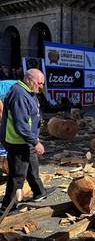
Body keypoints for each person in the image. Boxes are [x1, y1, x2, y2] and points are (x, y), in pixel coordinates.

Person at [0, 69, 56, 214]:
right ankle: (8, 208)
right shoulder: (19, 95)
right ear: (29, 79)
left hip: (26, 141)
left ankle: (39, 191)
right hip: (18, 142)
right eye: (39, 83)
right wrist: (35, 142)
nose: (41, 86)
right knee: (18, 176)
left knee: (32, 165)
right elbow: (21, 125)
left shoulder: (27, 92)